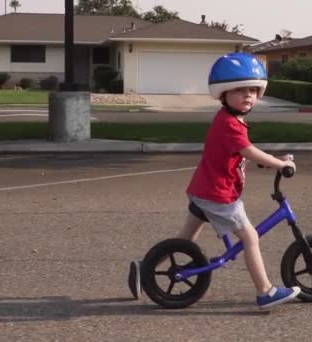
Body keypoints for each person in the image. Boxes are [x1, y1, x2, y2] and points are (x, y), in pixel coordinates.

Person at [129, 52, 300, 310]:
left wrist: (269, 160)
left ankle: (146, 269)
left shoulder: (231, 120)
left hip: (203, 189)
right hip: (218, 195)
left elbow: (240, 153)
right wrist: (279, 163)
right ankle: (265, 292)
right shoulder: (230, 124)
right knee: (250, 237)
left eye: (253, 90)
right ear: (223, 93)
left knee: (185, 240)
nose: (248, 95)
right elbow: (248, 151)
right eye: (240, 90)